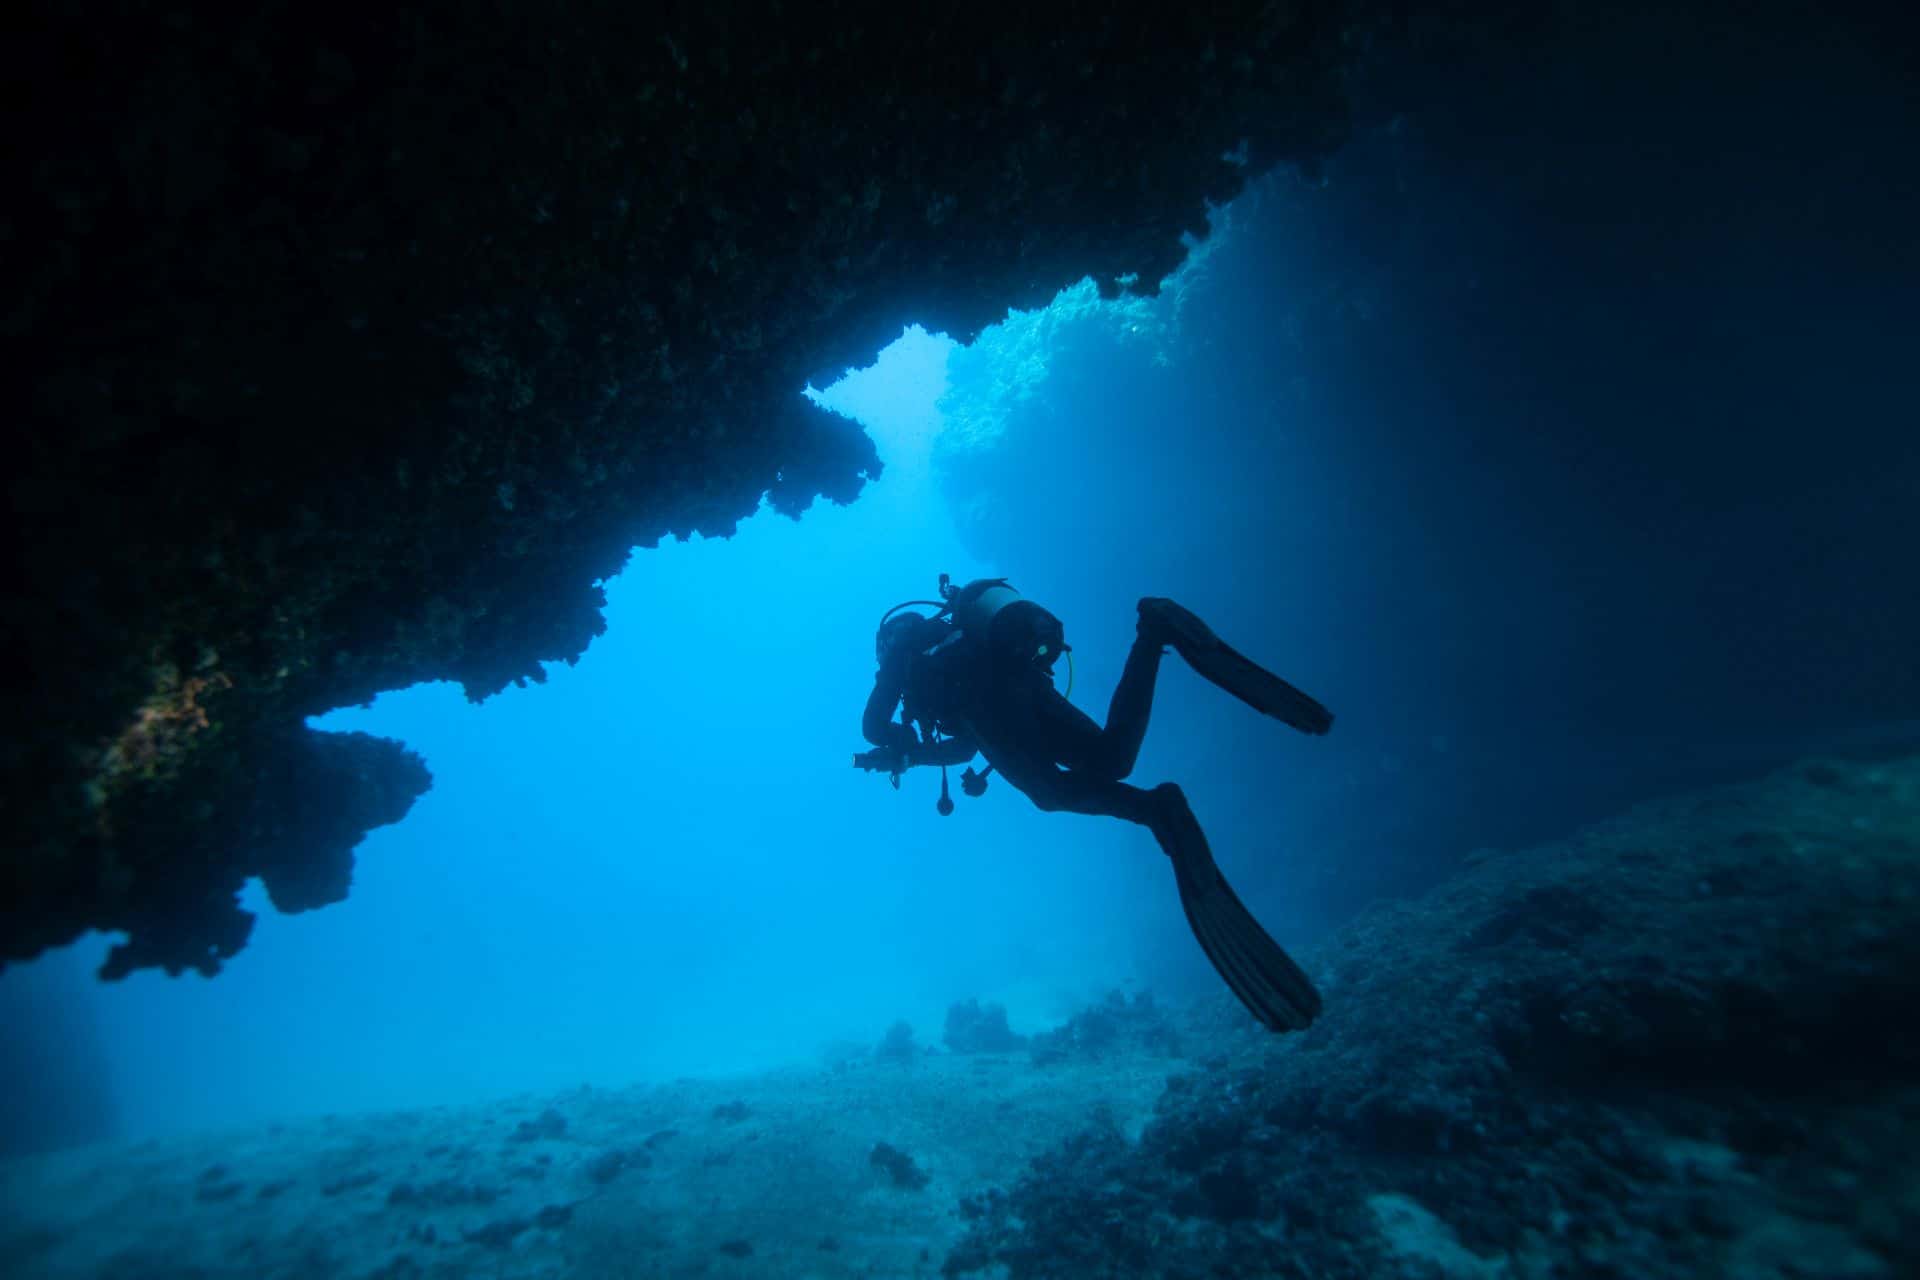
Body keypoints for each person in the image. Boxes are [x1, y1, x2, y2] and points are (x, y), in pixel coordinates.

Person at [856, 576, 1333, 1032]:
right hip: (1024, 685)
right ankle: (1153, 632)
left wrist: (899, 746)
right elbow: (964, 749)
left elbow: (875, 727)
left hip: (988, 710)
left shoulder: (902, 657)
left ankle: (1156, 810)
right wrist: (910, 754)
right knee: (1111, 757)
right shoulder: (965, 639)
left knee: (1050, 793)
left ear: (887, 643)